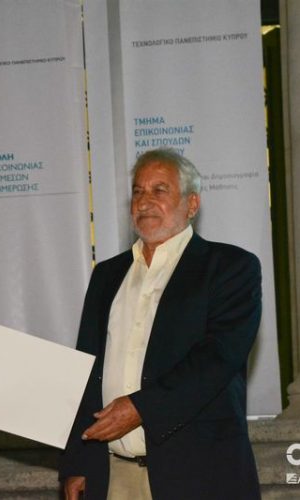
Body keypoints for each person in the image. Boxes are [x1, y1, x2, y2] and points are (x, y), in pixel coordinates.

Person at [59, 148, 262, 500]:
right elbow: (87, 370)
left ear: (192, 204)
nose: (144, 201)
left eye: (159, 190)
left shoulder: (230, 267)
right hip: (114, 477)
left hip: (199, 476)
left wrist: (141, 408)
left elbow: (217, 358)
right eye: (138, 191)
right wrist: (78, 460)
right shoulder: (107, 275)